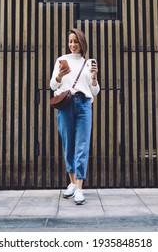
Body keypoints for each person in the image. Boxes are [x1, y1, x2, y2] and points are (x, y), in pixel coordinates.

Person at [50, 28, 100, 205]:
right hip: (66, 105)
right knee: (68, 143)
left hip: (84, 104)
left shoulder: (88, 63)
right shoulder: (61, 60)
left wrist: (94, 78)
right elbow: (52, 84)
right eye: (70, 41)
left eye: (75, 41)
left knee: (82, 144)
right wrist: (59, 75)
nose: (72, 45)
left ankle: (79, 188)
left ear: (82, 43)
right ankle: (71, 182)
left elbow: (95, 91)